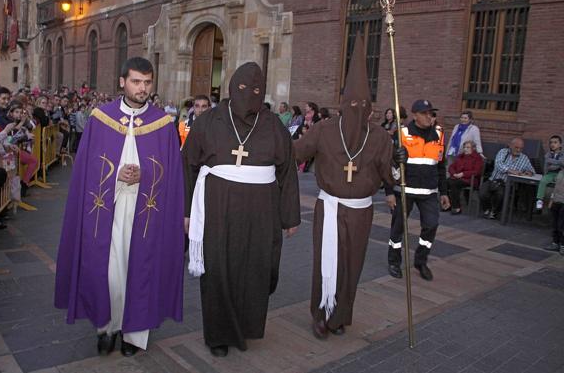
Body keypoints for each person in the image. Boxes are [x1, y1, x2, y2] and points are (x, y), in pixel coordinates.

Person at [55, 57, 185, 357]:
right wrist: (115, 176)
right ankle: (107, 327)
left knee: (141, 270)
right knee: (110, 271)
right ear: (122, 82)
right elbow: (86, 169)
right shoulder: (101, 119)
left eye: (147, 82)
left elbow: (173, 174)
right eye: (137, 81)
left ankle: (134, 335)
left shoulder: (163, 124)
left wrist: (145, 175)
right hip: (107, 208)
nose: (142, 88)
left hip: (146, 210)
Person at [182, 62, 300, 357]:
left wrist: (290, 217)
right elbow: (187, 167)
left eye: (257, 90)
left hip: (262, 212)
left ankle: (246, 326)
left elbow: (287, 173)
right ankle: (219, 336)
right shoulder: (208, 121)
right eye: (244, 88)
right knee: (219, 268)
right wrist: (186, 212)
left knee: (257, 268)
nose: (250, 95)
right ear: (232, 87)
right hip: (217, 208)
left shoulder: (273, 126)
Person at [294, 36, 394, 339]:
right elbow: (294, 153)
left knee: (352, 265)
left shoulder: (379, 137)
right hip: (330, 208)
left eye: (362, 104)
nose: (356, 109)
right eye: (351, 103)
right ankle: (321, 313)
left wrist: (401, 161)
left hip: (361, 212)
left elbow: (392, 177)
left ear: (370, 108)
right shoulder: (324, 129)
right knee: (327, 261)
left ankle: (341, 315)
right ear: (341, 104)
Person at [386, 99, 450, 281]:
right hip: (404, 191)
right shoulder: (402, 134)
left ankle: (421, 261)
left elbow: (440, 166)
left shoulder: (439, 134)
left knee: (431, 226)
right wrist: (389, 191)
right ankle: (394, 261)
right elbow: (388, 165)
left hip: (429, 192)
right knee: (397, 228)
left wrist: (444, 192)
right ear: (415, 115)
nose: (429, 116)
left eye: (431, 113)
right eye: (425, 113)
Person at [479, 137, 535, 219]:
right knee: (482, 192)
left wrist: (529, 172)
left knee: (500, 194)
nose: (519, 150)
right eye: (516, 147)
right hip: (493, 180)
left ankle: (494, 212)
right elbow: (499, 165)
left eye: (521, 148)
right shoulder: (503, 152)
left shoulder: (524, 158)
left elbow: (532, 171)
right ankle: (487, 209)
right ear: (510, 146)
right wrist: (511, 171)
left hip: (506, 184)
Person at [446, 140, 484, 214]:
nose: (465, 149)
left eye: (468, 147)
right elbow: (451, 167)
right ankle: (447, 204)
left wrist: (463, 174)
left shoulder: (477, 158)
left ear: (473, 149)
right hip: (457, 177)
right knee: (445, 183)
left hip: (470, 180)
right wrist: (454, 174)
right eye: (464, 147)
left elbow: (477, 171)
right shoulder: (461, 156)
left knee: (454, 184)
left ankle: (456, 207)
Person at [536, 135, 563, 210]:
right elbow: (546, 164)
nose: (552, 144)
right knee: (543, 181)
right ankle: (539, 199)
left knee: (559, 182)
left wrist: (552, 164)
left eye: (555, 142)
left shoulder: (562, 154)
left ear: (560, 144)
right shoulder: (548, 154)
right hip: (550, 173)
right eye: (551, 142)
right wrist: (556, 164)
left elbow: (562, 163)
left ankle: (553, 200)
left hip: (560, 173)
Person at [544, 169, 564, 254]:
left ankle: (563, 246)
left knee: (562, 225)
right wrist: (551, 200)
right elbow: (555, 188)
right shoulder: (561, 172)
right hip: (556, 200)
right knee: (555, 223)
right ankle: (555, 243)